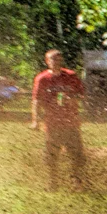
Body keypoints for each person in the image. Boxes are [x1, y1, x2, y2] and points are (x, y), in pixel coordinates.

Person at [31, 49, 85, 183]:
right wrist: (35, 120)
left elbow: (81, 94)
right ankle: (52, 180)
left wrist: (72, 99)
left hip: (71, 121)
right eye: (53, 59)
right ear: (47, 61)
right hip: (52, 122)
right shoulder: (42, 79)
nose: (56, 62)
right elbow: (36, 100)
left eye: (59, 59)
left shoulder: (71, 76)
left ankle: (76, 179)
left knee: (76, 153)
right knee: (52, 153)